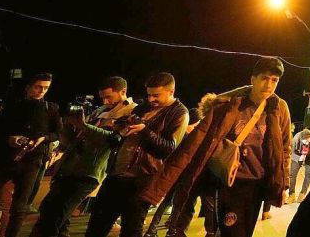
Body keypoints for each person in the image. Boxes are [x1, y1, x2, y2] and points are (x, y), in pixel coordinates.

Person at [139, 57, 292, 237]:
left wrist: (283, 183)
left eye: (274, 80)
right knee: (231, 232)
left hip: (257, 184)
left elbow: (284, 148)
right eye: (265, 78)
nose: (269, 84)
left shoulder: (279, 107)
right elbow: (197, 142)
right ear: (253, 80)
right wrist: (158, 187)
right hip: (230, 182)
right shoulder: (231, 105)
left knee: (245, 232)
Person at [85, 73, 189, 237]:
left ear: (171, 91)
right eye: (149, 95)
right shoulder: (142, 107)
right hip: (116, 174)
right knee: (96, 226)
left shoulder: (179, 113)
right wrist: (119, 127)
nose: (151, 99)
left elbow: (168, 149)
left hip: (142, 179)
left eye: (156, 95)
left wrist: (144, 130)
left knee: (131, 230)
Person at [30, 77, 135, 237]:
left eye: (109, 97)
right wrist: (67, 126)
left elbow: (113, 139)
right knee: (49, 209)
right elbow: (77, 137)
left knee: (56, 215)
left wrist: (84, 126)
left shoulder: (132, 111)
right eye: (103, 97)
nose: (105, 101)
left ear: (123, 92)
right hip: (71, 166)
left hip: (90, 171)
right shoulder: (100, 110)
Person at [0, 73, 61, 237]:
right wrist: (10, 138)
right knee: (3, 202)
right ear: (29, 87)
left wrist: (44, 138)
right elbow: (1, 128)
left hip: (32, 162)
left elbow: (58, 134)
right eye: (38, 86)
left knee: (20, 207)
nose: (42, 91)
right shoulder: (13, 105)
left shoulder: (51, 108)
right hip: (8, 159)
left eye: (46, 88)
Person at [142, 108, 204, 237]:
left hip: (172, 173)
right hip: (182, 173)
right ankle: (172, 230)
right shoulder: (190, 137)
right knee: (178, 204)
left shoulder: (179, 134)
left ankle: (151, 230)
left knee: (166, 202)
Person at [288, 125, 310, 203]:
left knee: (308, 174)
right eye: (304, 141)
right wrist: (292, 162)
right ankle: (291, 195)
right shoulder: (296, 138)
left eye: (308, 140)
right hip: (297, 153)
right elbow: (291, 152)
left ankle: (302, 194)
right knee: (293, 174)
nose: (306, 142)